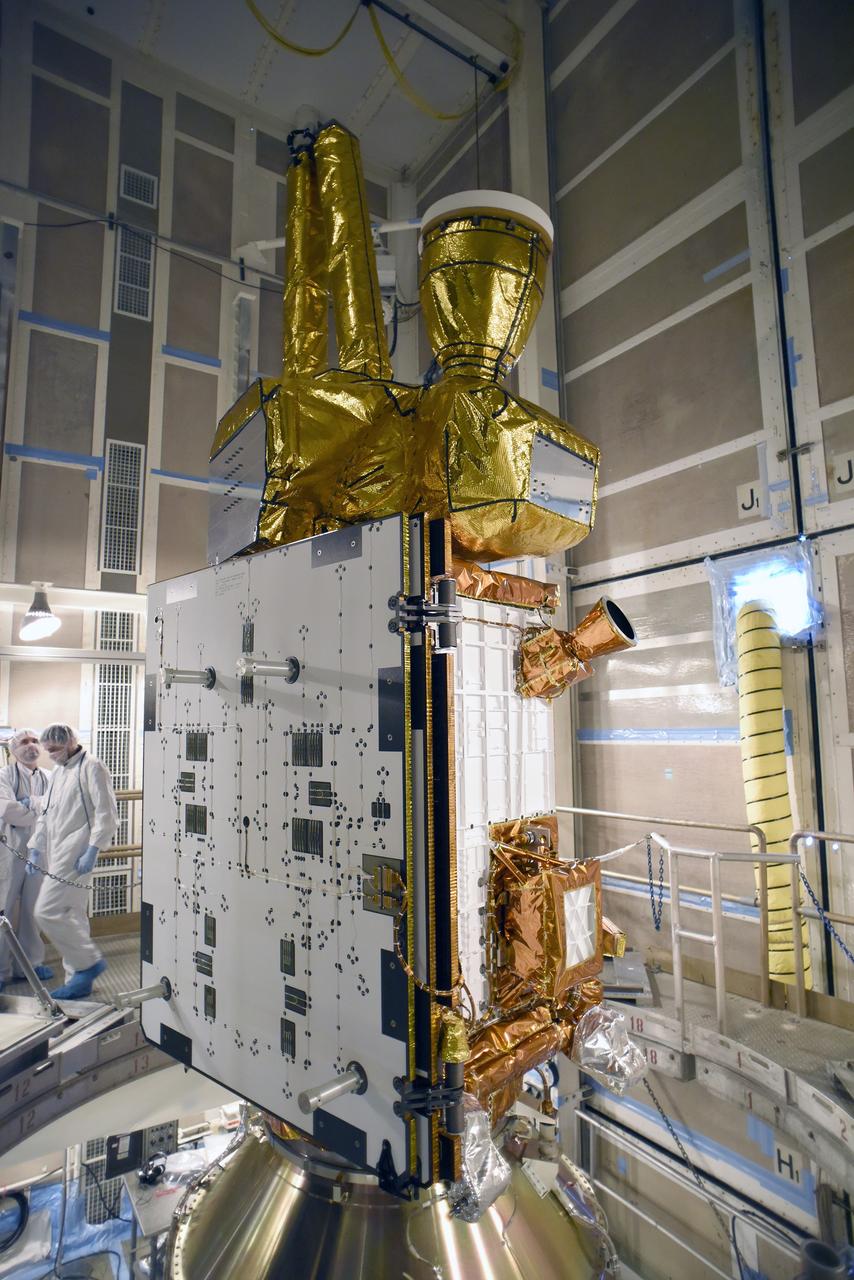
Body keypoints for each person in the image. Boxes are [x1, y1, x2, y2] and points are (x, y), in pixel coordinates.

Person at [29, 724, 118, 1000]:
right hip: (58, 850)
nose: (50, 755)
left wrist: (93, 849)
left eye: (54, 749)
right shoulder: (58, 773)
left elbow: (106, 812)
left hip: (76, 851)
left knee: (45, 911)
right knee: (73, 914)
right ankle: (78, 981)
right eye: (48, 751)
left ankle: (89, 963)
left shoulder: (92, 766)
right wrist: (35, 848)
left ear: (69, 742)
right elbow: (46, 814)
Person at [0, 729, 52, 990]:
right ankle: (1, 969)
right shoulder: (3, 776)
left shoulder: (49, 777)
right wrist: (39, 810)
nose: (31, 746)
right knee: (4, 910)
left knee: (33, 909)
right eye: (24, 742)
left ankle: (29, 964)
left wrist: (31, 803)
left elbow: (57, 805)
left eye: (35, 741)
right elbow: (8, 810)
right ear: (12, 750)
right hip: (9, 852)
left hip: (39, 852)